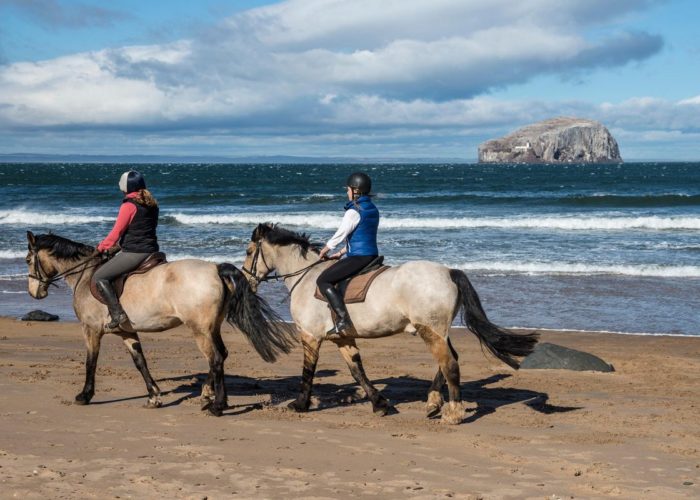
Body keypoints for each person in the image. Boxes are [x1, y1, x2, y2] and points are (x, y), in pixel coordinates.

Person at [92, 170, 159, 331]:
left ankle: (117, 314)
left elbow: (116, 233)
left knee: (99, 276)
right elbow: (141, 230)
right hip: (152, 250)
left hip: (135, 252)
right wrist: (120, 247)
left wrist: (101, 247)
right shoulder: (152, 204)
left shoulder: (129, 205)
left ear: (126, 187)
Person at [317, 172, 379, 335]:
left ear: (356, 190)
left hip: (359, 257)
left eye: (348, 189)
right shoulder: (372, 208)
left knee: (323, 280)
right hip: (371, 254)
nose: (347, 192)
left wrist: (326, 248)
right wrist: (341, 252)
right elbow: (362, 235)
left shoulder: (354, 211)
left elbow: (342, 233)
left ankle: (343, 319)